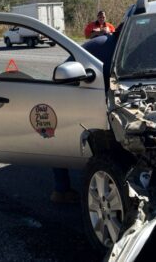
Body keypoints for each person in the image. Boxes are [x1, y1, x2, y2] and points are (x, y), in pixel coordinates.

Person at [51, 25, 121, 204]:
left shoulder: (105, 42)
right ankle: (62, 190)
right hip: (73, 94)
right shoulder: (105, 45)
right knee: (61, 140)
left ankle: (62, 188)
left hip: (91, 94)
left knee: (60, 140)